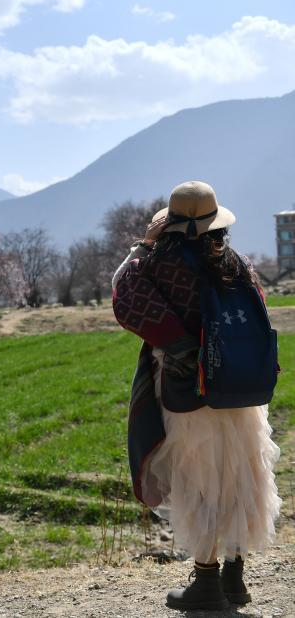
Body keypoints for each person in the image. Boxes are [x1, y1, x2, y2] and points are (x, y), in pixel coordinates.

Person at [112, 181, 281, 611]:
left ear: (167, 223)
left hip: (189, 389)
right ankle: (235, 578)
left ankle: (206, 585)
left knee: (200, 481)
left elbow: (124, 296)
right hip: (241, 389)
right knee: (243, 476)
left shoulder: (156, 264)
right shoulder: (235, 264)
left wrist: (143, 245)